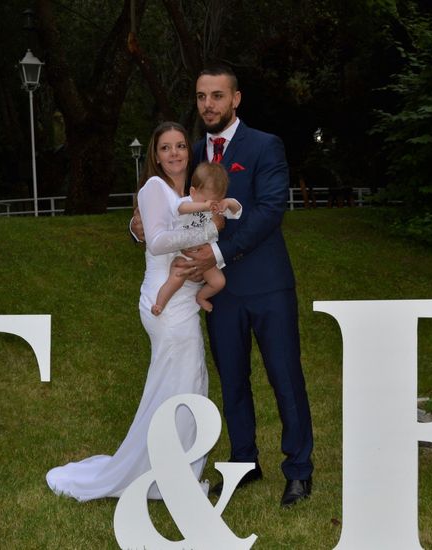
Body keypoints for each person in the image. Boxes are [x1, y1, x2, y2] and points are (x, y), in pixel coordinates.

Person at [132, 65, 314, 508]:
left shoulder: (265, 145)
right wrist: (137, 229)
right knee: (232, 380)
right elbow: (166, 206)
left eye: (217, 96)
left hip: (267, 284)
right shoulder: (188, 152)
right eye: (200, 97)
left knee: (284, 378)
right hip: (217, 295)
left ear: (235, 100)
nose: (208, 104)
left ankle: (299, 471)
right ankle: (245, 461)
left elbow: (270, 211)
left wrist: (215, 255)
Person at [46, 122, 219, 502]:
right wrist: (204, 235)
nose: (174, 154)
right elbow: (157, 243)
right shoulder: (154, 188)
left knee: (182, 385)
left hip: (182, 303)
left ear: (189, 153)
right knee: (180, 387)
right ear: (155, 156)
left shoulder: (185, 194)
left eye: (180, 147)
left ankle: (173, 472)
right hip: (165, 304)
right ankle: (168, 475)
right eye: (165, 148)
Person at [153, 162, 242, 316]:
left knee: (219, 282)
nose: (211, 205)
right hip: (183, 253)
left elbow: (238, 210)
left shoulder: (217, 206)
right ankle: (159, 304)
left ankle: (200, 297)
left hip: (205, 256)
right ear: (193, 192)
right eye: (206, 200)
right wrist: (203, 206)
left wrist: (227, 203)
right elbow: (178, 209)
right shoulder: (186, 202)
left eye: (216, 200)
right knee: (176, 277)